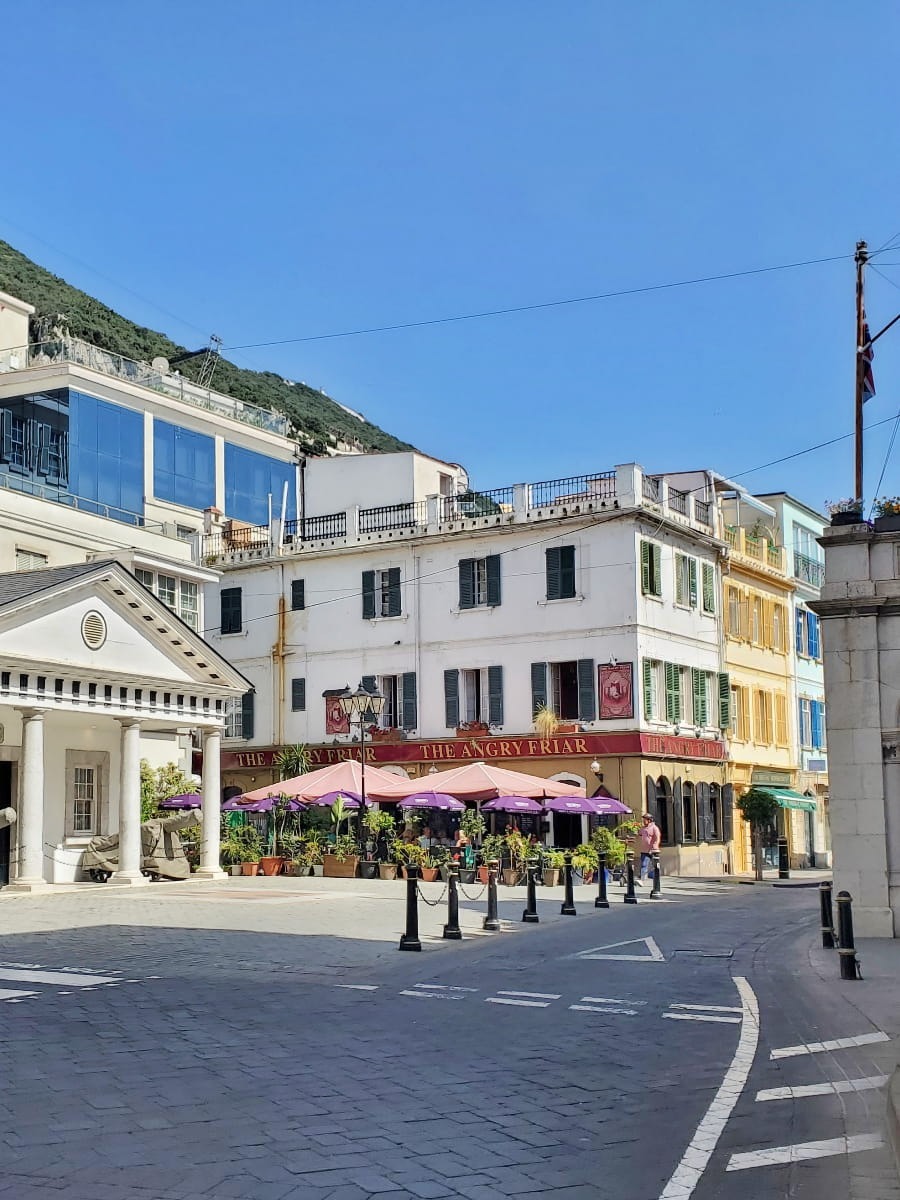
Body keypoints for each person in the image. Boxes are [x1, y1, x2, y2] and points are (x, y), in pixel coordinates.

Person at [637, 812, 661, 885]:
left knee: (655, 865)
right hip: (644, 850)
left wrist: (654, 847)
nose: (643, 821)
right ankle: (642, 880)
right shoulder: (643, 828)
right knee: (644, 864)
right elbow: (639, 833)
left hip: (653, 851)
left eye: (645, 819)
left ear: (649, 820)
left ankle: (656, 880)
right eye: (643, 819)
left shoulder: (654, 828)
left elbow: (657, 838)